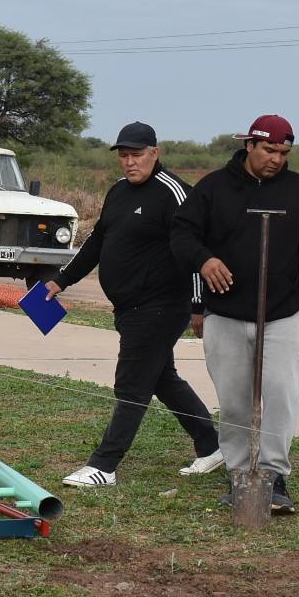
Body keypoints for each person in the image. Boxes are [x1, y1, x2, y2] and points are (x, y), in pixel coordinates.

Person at [169, 114, 299, 515]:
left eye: (284, 152)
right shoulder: (213, 188)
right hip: (226, 314)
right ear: (249, 145)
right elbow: (181, 235)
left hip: (284, 314)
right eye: (269, 150)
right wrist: (205, 260)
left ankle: (273, 476)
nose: (277, 159)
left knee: (280, 393)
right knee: (236, 400)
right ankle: (241, 475)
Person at [48, 122, 223, 488]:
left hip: (162, 305)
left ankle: (104, 465)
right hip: (128, 308)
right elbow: (97, 242)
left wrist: (197, 303)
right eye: (124, 156)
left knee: (132, 384)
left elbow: (193, 247)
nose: (130, 163)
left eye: (137, 155)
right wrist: (61, 279)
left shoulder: (173, 193)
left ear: (154, 153)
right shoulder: (118, 192)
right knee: (162, 378)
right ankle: (211, 446)